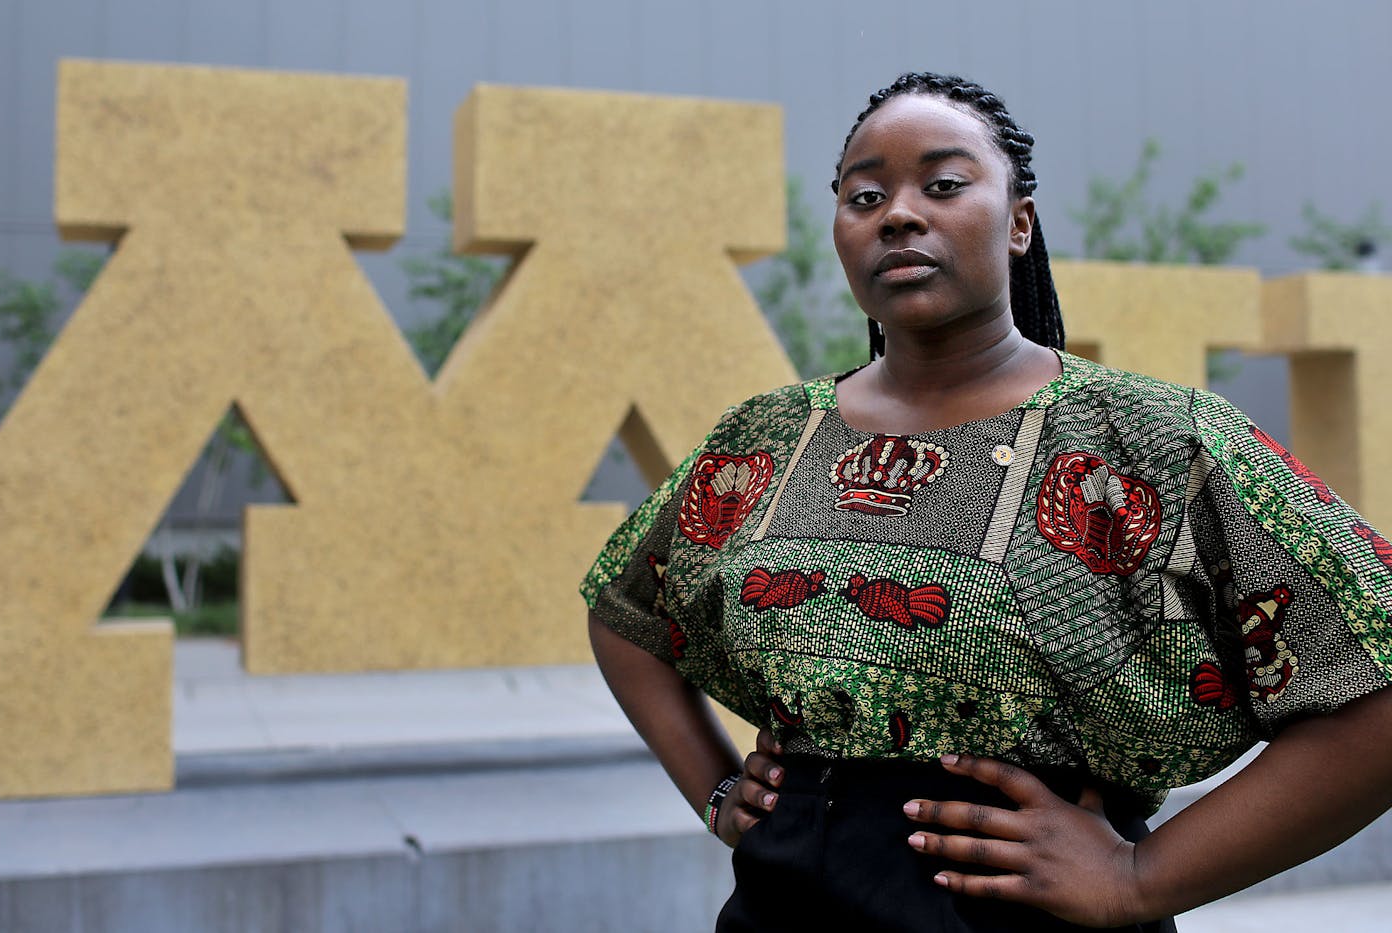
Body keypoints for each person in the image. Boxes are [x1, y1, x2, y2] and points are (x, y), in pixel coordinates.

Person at [581, 71, 1392, 931]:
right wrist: (714, 791)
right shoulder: (766, 436)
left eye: (942, 183)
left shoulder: (1153, 438)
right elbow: (626, 608)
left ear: (1018, 223)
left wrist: (1139, 878)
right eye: (865, 194)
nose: (897, 212)